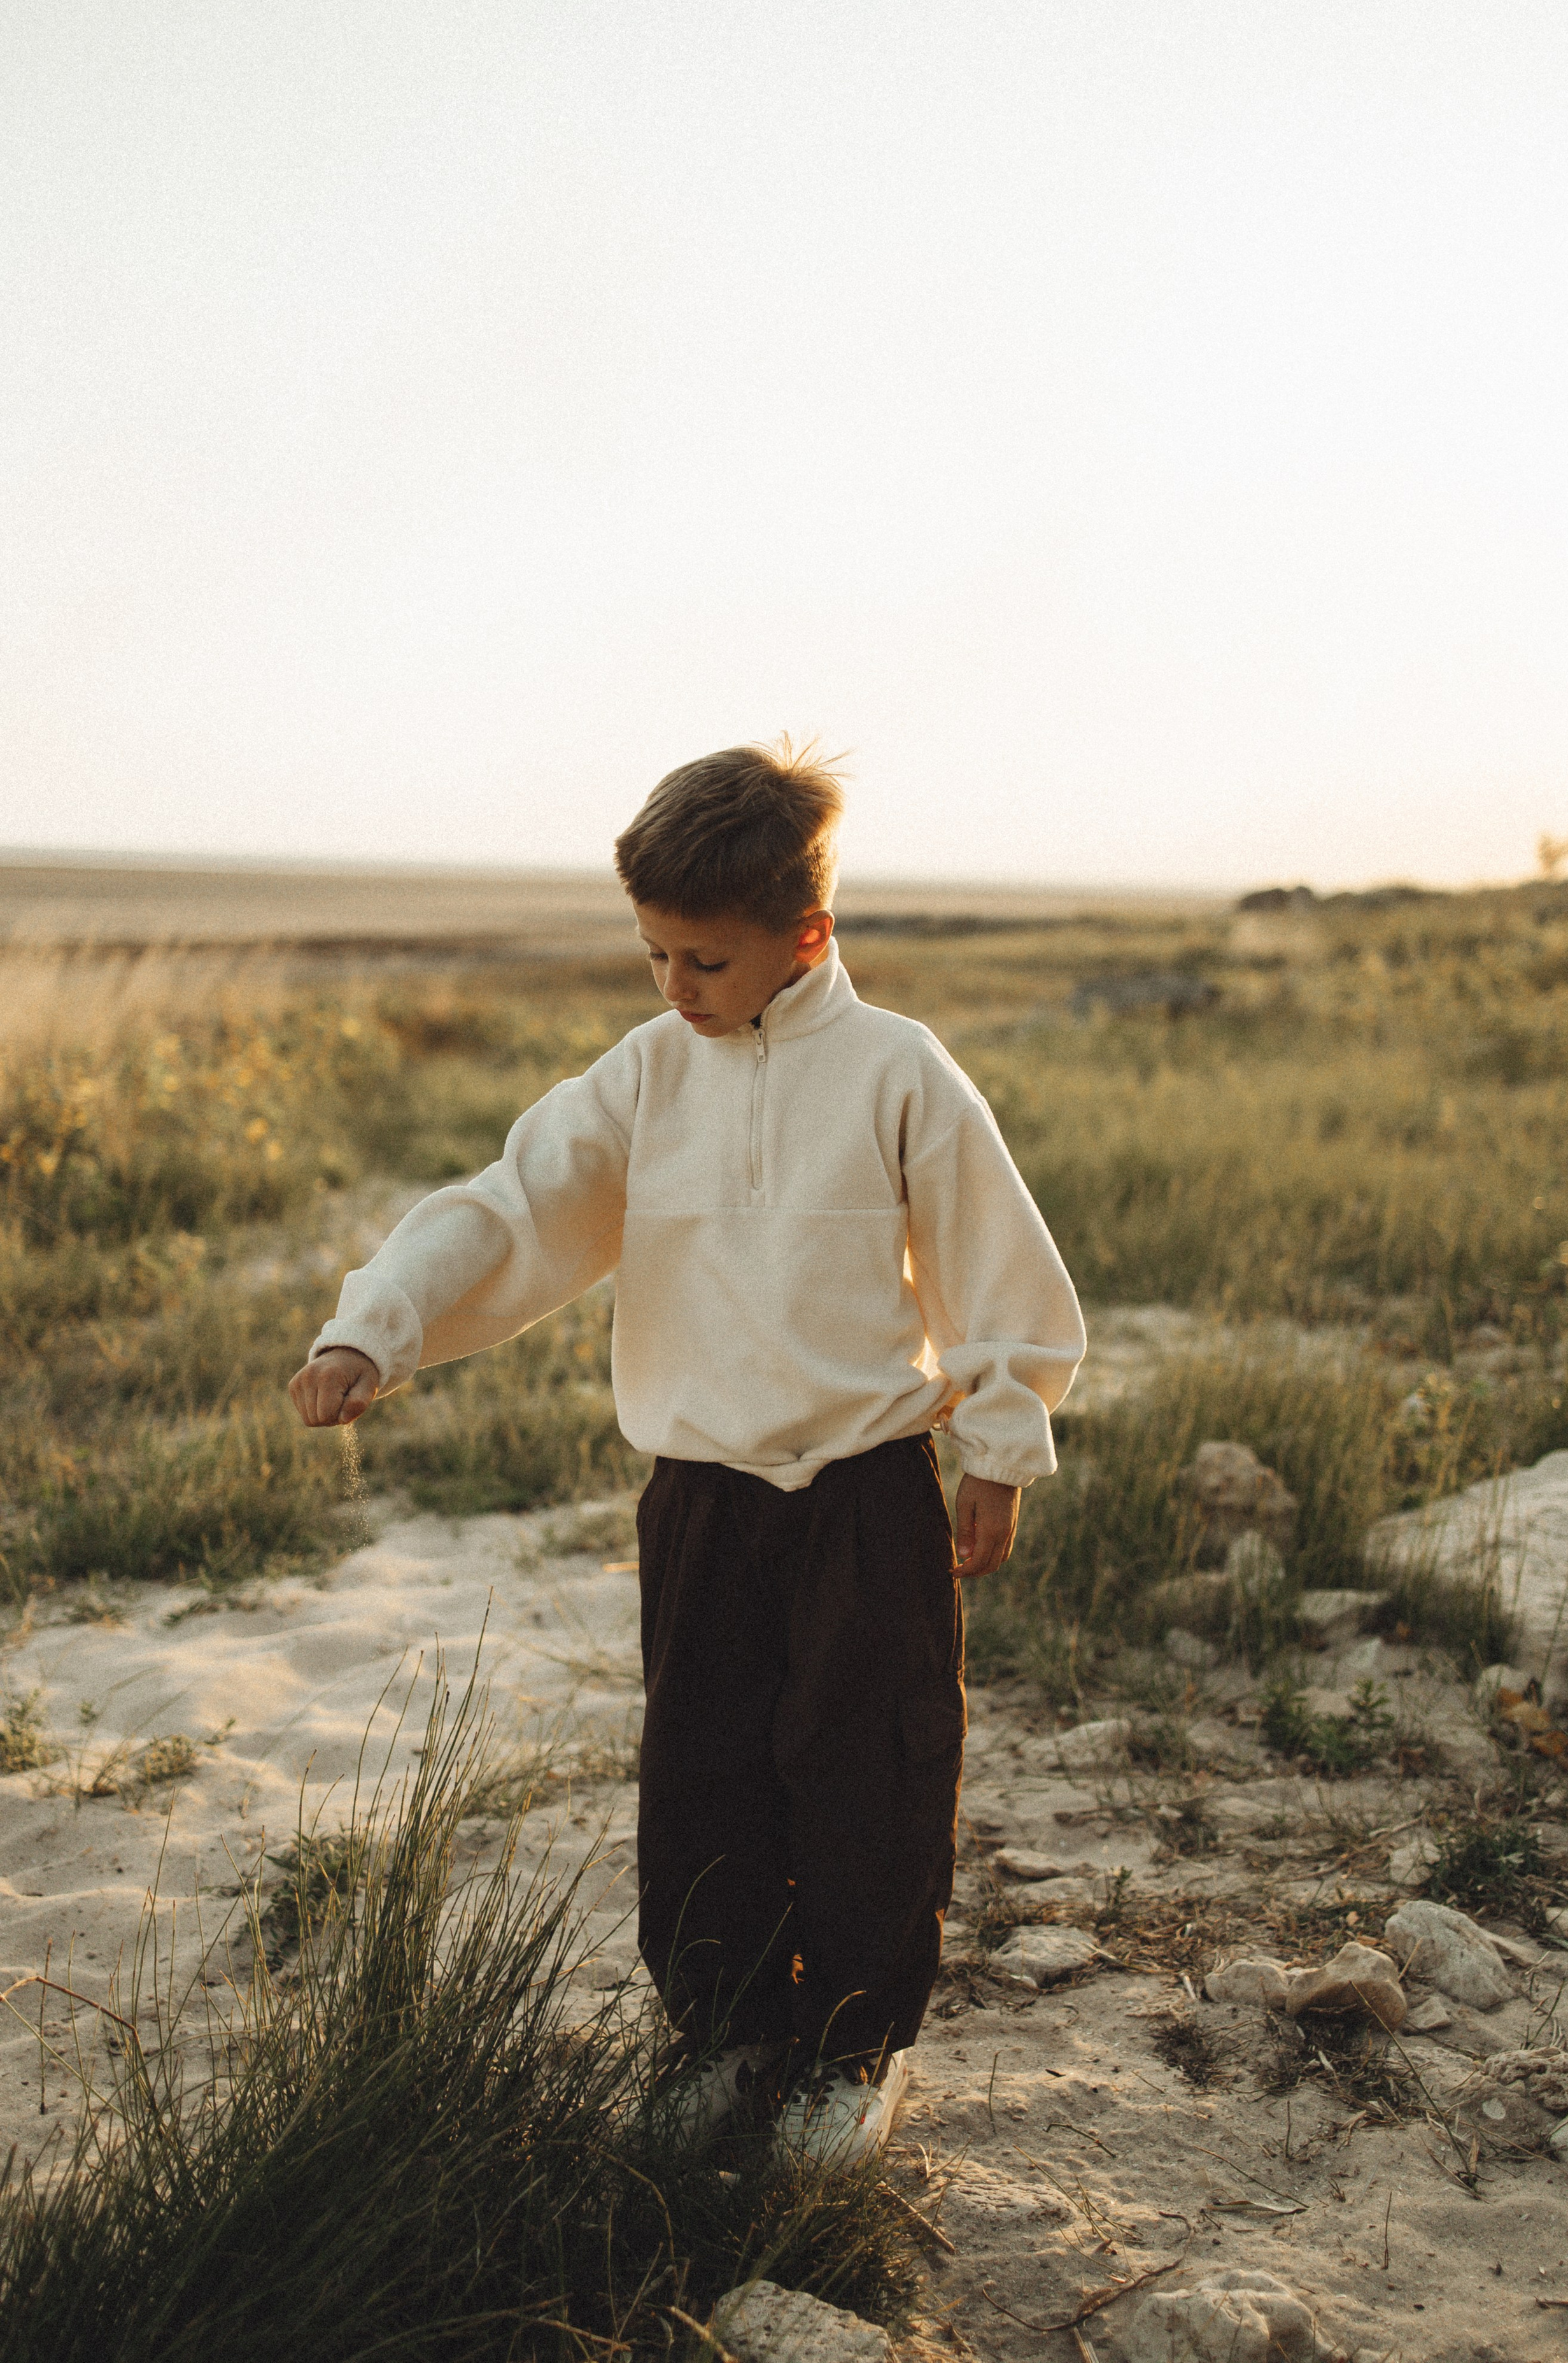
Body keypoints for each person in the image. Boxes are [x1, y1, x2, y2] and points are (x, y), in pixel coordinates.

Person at [290, 741, 1085, 2164]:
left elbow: (995, 1270)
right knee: (704, 1768)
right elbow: (508, 1208)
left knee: (868, 1770)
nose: (672, 988)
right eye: (651, 955)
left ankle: (850, 2056)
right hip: (702, 1497)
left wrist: (998, 1444)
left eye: (702, 962)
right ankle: (724, 2036)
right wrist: (375, 1328)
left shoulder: (899, 1072)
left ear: (807, 935)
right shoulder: (646, 1078)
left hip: (863, 1493)